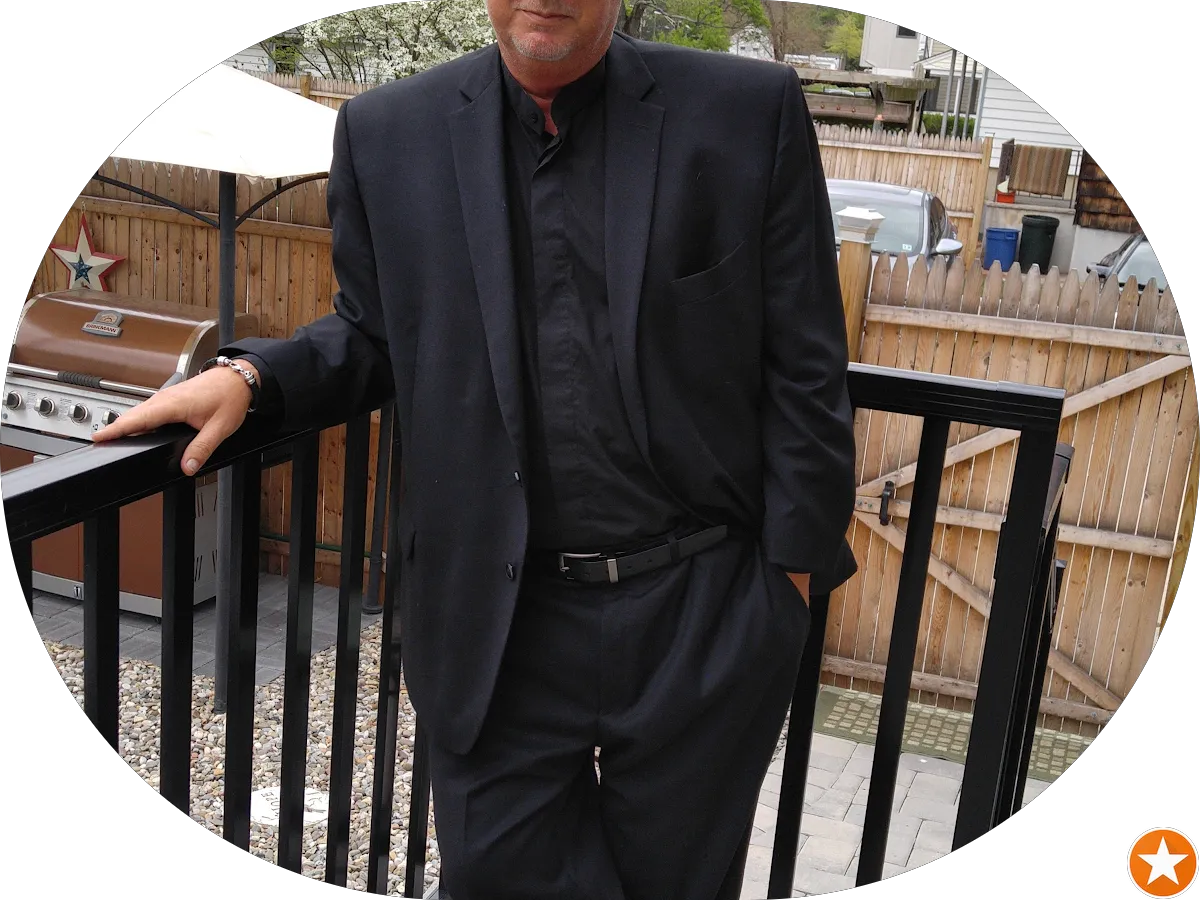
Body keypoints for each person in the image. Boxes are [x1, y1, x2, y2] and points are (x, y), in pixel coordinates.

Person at [93, 2, 858, 897]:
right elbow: (372, 330)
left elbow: (806, 359)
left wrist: (788, 585)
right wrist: (253, 378)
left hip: (703, 611)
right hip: (497, 621)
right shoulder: (389, 132)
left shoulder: (745, 111)